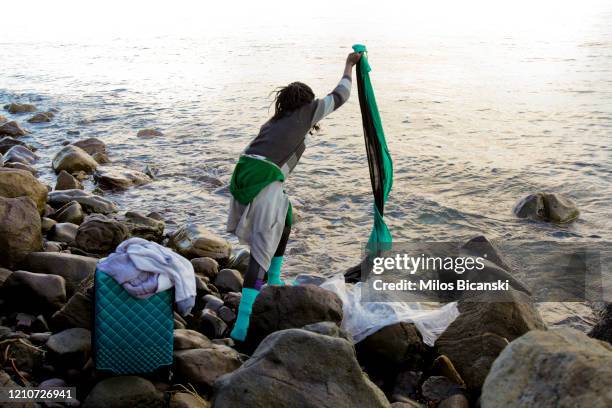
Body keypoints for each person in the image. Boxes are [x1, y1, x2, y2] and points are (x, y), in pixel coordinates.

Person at [227, 51, 362, 341]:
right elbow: (341, 95)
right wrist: (349, 65)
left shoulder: (275, 121)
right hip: (262, 181)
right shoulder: (306, 112)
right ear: (305, 102)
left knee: (286, 217)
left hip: (244, 176)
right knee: (260, 252)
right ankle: (242, 325)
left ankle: (274, 280)